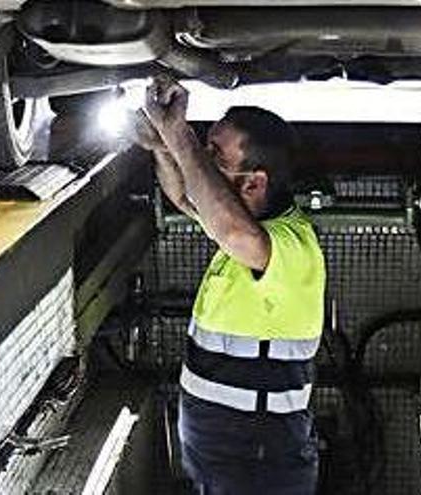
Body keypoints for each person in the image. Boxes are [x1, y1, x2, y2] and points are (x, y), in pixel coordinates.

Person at [132, 76, 326, 494]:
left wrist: (179, 135)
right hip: (230, 455)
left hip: (259, 461)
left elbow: (233, 231)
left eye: (214, 156)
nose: (201, 161)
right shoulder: (240, 227)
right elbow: (186, 198)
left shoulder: (291, 245)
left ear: (253, 183)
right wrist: (163, 147)